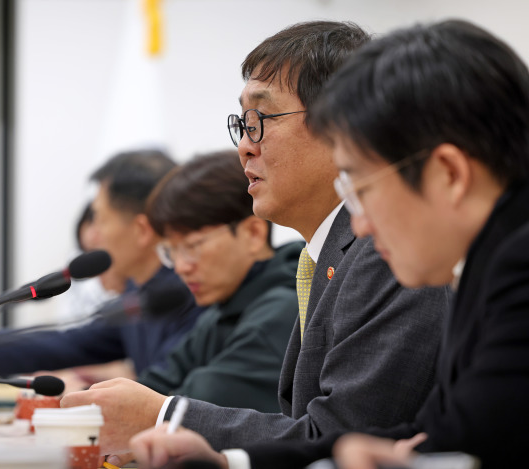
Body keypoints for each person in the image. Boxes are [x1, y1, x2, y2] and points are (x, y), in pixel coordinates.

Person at [131, 19, 529, 469]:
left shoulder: (514, 267)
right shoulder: (483, 266)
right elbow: (441, 436)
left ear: (449, 174)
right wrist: (230, 463)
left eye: (362, 186)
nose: (359, 223)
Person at [60, 20, 450, 463]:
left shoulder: (385, 254)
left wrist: (161, 416)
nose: (244, 146)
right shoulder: (326, 257)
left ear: (342, 125)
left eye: (259, 120)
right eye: (242, 125)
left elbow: (342, 437)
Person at [0, 149, 204, 379]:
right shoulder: (139, 294)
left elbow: (165, 393)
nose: (92, 235)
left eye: (100, 219)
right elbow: (67, 343)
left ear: (141, 230)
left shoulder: (192, 294)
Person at [134, 149, 301, 412]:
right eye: (170, 251)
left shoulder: (284, 310)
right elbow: (154, 385)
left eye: (192, 246)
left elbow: (199, 404)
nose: (181, 267)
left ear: (254, 233)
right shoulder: (219, 313)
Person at [56, 201, 128, 324]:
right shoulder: (76, 263)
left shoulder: (126, 264)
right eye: (90, 223)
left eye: (102, 222)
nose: (94, 233)